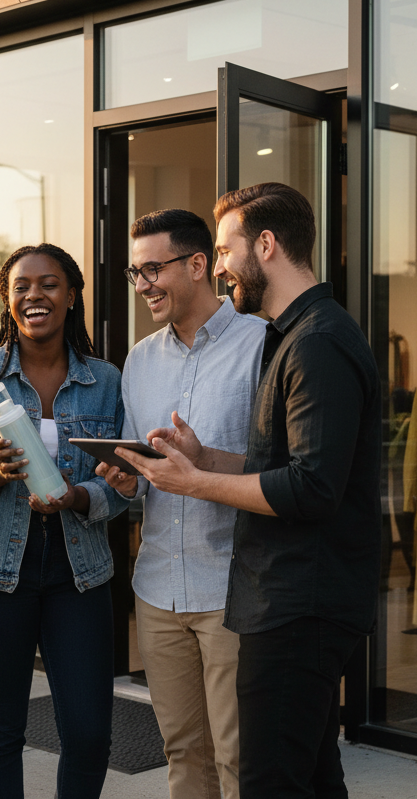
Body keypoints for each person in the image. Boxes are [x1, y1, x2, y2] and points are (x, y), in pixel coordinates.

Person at [122, 183, 382, 799]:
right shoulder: (297, 333)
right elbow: (282, 463)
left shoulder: (310, 341)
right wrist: (201, 457)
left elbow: (312, 487)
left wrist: (196, 479)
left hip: (290, 603)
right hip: (266, 598)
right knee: (309, 778)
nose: (219, 265)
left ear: (265, 245)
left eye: (223, 249)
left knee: (264, 779)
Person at [0, 243, 128, 799]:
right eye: (21, 286)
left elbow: (124, 484)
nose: (33, 295)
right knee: (0, 733)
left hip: (79, 572)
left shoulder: (106, 381)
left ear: (71, 295)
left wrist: (79, 498)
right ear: (7, 301)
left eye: (48, 284)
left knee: (89, 735)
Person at [97, 209, 265, 799]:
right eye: (134, 272)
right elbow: (143, 473)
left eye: (152, 269)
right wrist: (127, 481)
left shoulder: (263, 346)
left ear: (199, 265)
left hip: (233, 588)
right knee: (182, 751)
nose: (142, 285)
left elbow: (281, 472)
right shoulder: (139, 360)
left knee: (240, 756)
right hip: (158, 586)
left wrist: (203, 462)